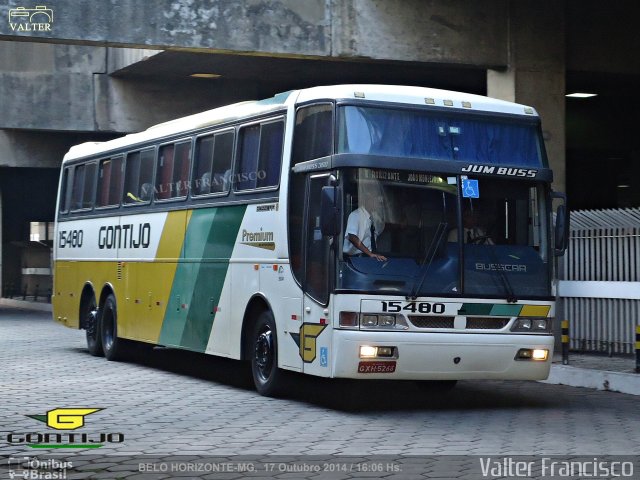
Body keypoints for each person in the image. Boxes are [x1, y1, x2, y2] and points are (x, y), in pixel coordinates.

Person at [343, 191, 387, 261]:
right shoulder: (355, 215)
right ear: (367, 201)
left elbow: (381, 229)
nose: (378, 203)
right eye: (375, 200)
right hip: (356, 259)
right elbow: (352, 237)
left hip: (371, 258)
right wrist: (370, 254)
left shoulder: (375, 217)